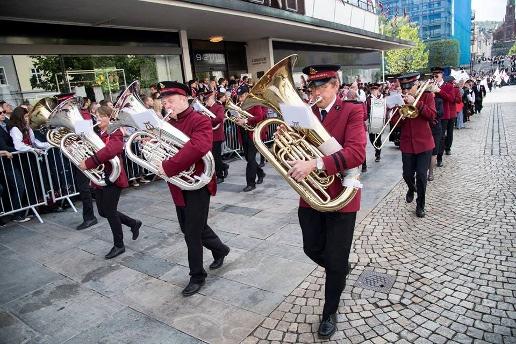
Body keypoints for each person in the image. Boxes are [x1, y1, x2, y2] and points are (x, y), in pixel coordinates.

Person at [284, 64, 365, 339]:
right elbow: (292, 150)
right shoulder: (304, 115)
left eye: (321, 86)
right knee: (311, 248)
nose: (315, 92)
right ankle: (339, 268)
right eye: (312, 87)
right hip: (311, 195)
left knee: (334, 256)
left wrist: (315, 163)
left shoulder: (353, 110)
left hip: (342, 197)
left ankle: (330, 311)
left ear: (335, 86)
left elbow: (356, 154)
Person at [156, 81, 230, 297]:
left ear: (184, 98)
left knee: (192, 233)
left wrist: (168, 166)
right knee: (191, 227)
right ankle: (220, 249)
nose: (166, 105)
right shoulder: (166, 123)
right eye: (164, 102)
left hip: (197, 183)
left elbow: (199, 146)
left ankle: (197, 275)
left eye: (170, 100)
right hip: (178, 184)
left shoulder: (200, 120)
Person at [80, 105, 142, 259]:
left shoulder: (115, 131)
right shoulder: (98, 132)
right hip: (101, 175)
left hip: (113, 176)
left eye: (101, 116)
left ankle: (119, 245)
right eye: (96, 116)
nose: (98, 119)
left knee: (110, 211)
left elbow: (111, 150)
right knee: (102, 211)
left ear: (109, 117)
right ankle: (133, 223)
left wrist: (89, 162)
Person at [391, 73, 436, 218]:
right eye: (404, 88)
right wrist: (400, 115)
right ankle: (411, 188)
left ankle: (420, 205)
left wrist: (416, 103)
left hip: (424, 144)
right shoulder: (401, 99)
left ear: (416, 85)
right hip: (407, 144)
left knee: (422, 176)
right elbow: (393, 122)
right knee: (407, 174)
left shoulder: (427, 95)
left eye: (408, 88)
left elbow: (432, 115)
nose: (406, 91)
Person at [235, 85, 266, 192]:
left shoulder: (254, 103)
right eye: (239, 96)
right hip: (244, 133)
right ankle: (261, 173)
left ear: (247, 94)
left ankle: (251, 183)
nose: (240, 98)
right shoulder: (240, 105)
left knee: (251, 159)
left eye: (242, 96)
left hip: (253, 134)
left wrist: (246, 121)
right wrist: (238, 120)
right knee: (249, 159)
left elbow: (259, 117)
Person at [204, 90, 228, 184]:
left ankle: (220, 175)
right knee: (212, 157)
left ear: (211, 98)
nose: (206, 102)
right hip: (208, 136)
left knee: (216, 157)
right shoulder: (206, 108)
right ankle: (224, 167)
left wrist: (207, 121)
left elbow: (219, 118)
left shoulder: (219, 107)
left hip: (217, 135)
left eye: (207, 100)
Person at [366, 83, 386, 163]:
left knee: (378, 138)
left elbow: (385, 108)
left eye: (375, 90)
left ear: (378, 90)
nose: (374, 91)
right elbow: (367, 109)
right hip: (371, 120)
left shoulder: (382, 98)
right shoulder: (368, 99)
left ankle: (378, 154)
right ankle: (376, 148)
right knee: (371, 138)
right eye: (373, 90)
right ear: (371, 91)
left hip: (380, 120)